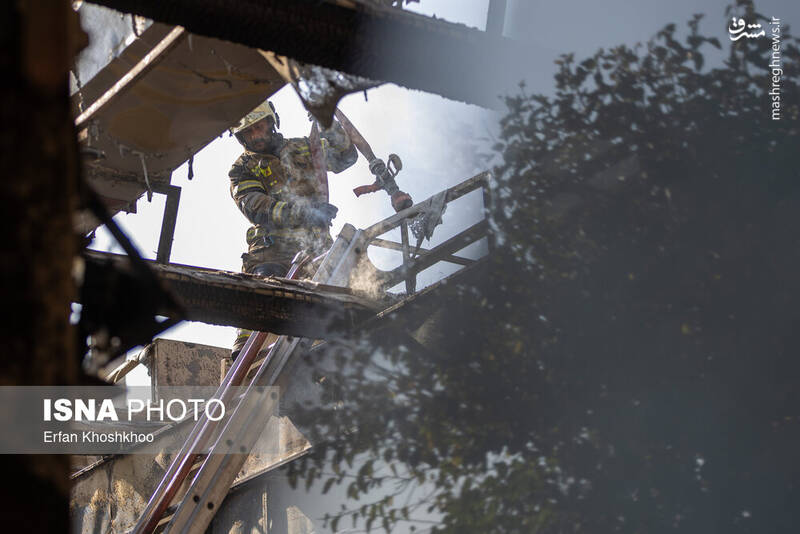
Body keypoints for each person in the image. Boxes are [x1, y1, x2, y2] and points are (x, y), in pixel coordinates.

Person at [228, 100, 358, 358]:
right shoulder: (242, 169)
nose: (256, 136)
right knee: (263, 290)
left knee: (348, 298)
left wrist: (327, 121)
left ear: (272, 121)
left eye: (259, 126)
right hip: (272, 251)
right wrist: (304, 213)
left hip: (316, 247)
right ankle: (247, 351)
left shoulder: (305, 147)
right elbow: (256, 206)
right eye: (248, 133)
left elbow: (345, 157)